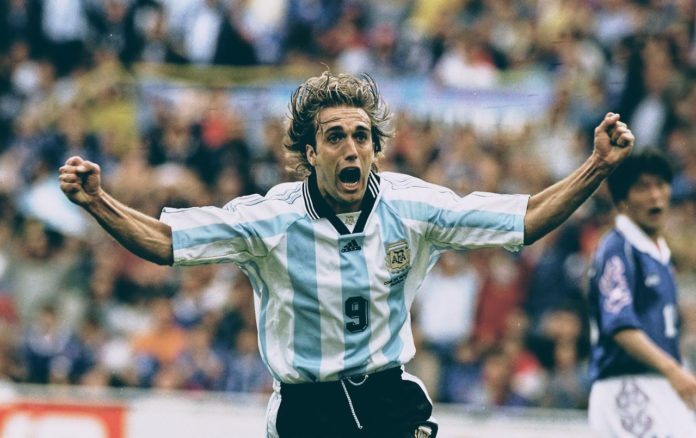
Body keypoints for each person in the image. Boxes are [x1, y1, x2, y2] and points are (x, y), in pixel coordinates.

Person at [59, 71, 634, 438]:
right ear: (310, 153)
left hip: (389, 399)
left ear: (375, 149)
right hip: (308, 411)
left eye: (361, 136)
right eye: (335, 137)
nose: (351, 148)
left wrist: (598, 166)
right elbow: (166, 242)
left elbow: (525, 220)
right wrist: (97, 201)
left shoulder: (413, 206)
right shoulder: (271, 219)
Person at [587, 148, 696, 437]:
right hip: (625, 386)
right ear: (622, 199)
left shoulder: (659, 254)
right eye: (642, 187)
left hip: (662, 386)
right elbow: (619, 325)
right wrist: (673, 370)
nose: (655, 196)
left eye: (660, 185)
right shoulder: (618, 249)